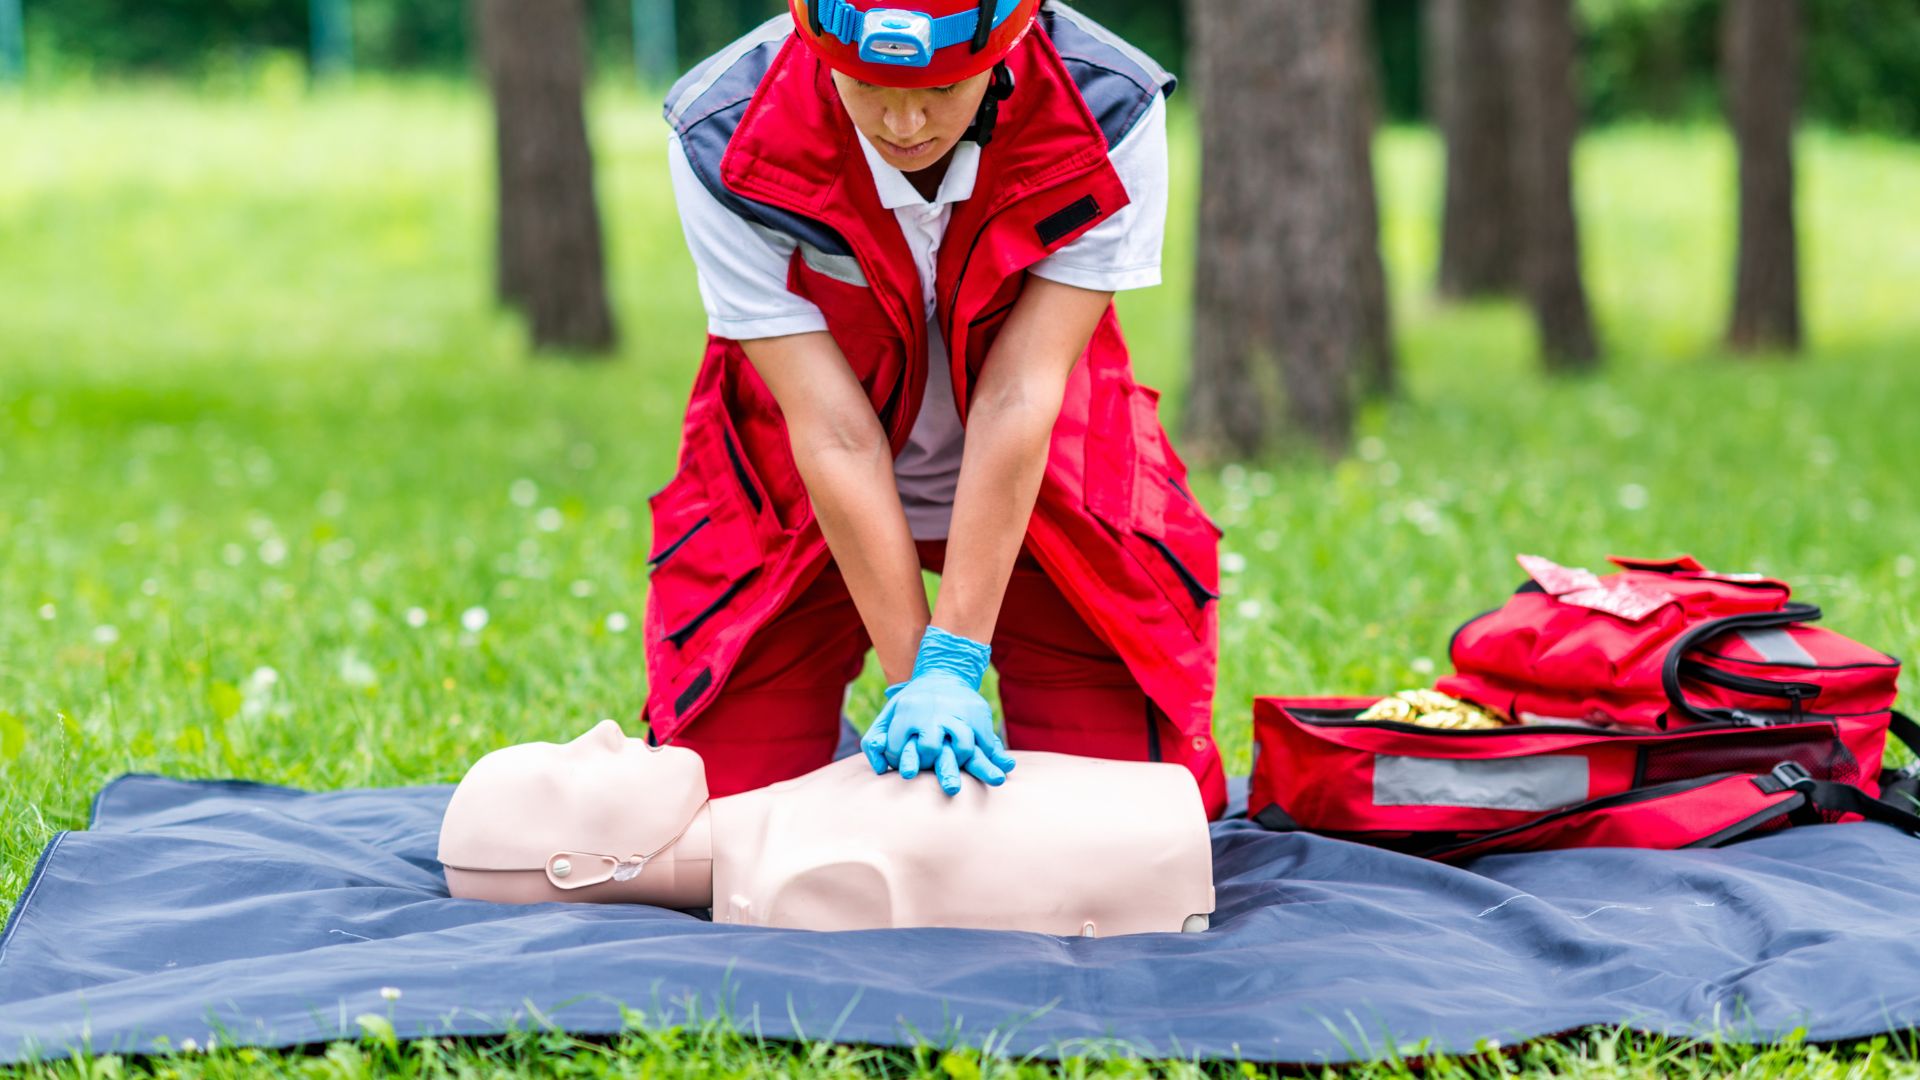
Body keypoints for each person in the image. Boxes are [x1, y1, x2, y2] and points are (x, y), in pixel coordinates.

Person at [646, 0, 1227, 817]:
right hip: (796, 498)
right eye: (868, 86)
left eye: (943, 87)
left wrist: (950, 662)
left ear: (1011, 41)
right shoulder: (722, 134)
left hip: (1045, 485)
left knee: (1134, 825)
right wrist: (910, 679)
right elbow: (835, 434)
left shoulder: (1109, 107)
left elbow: (1021, 393)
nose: (905, 121)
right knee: (717, 821)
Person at [439, 719, 1216, 935]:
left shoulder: (787, 825)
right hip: (1162, 848)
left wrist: (941, 663)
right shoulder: (811, 879)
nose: (602, 729)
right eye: (567, 768)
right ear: (573, 867)